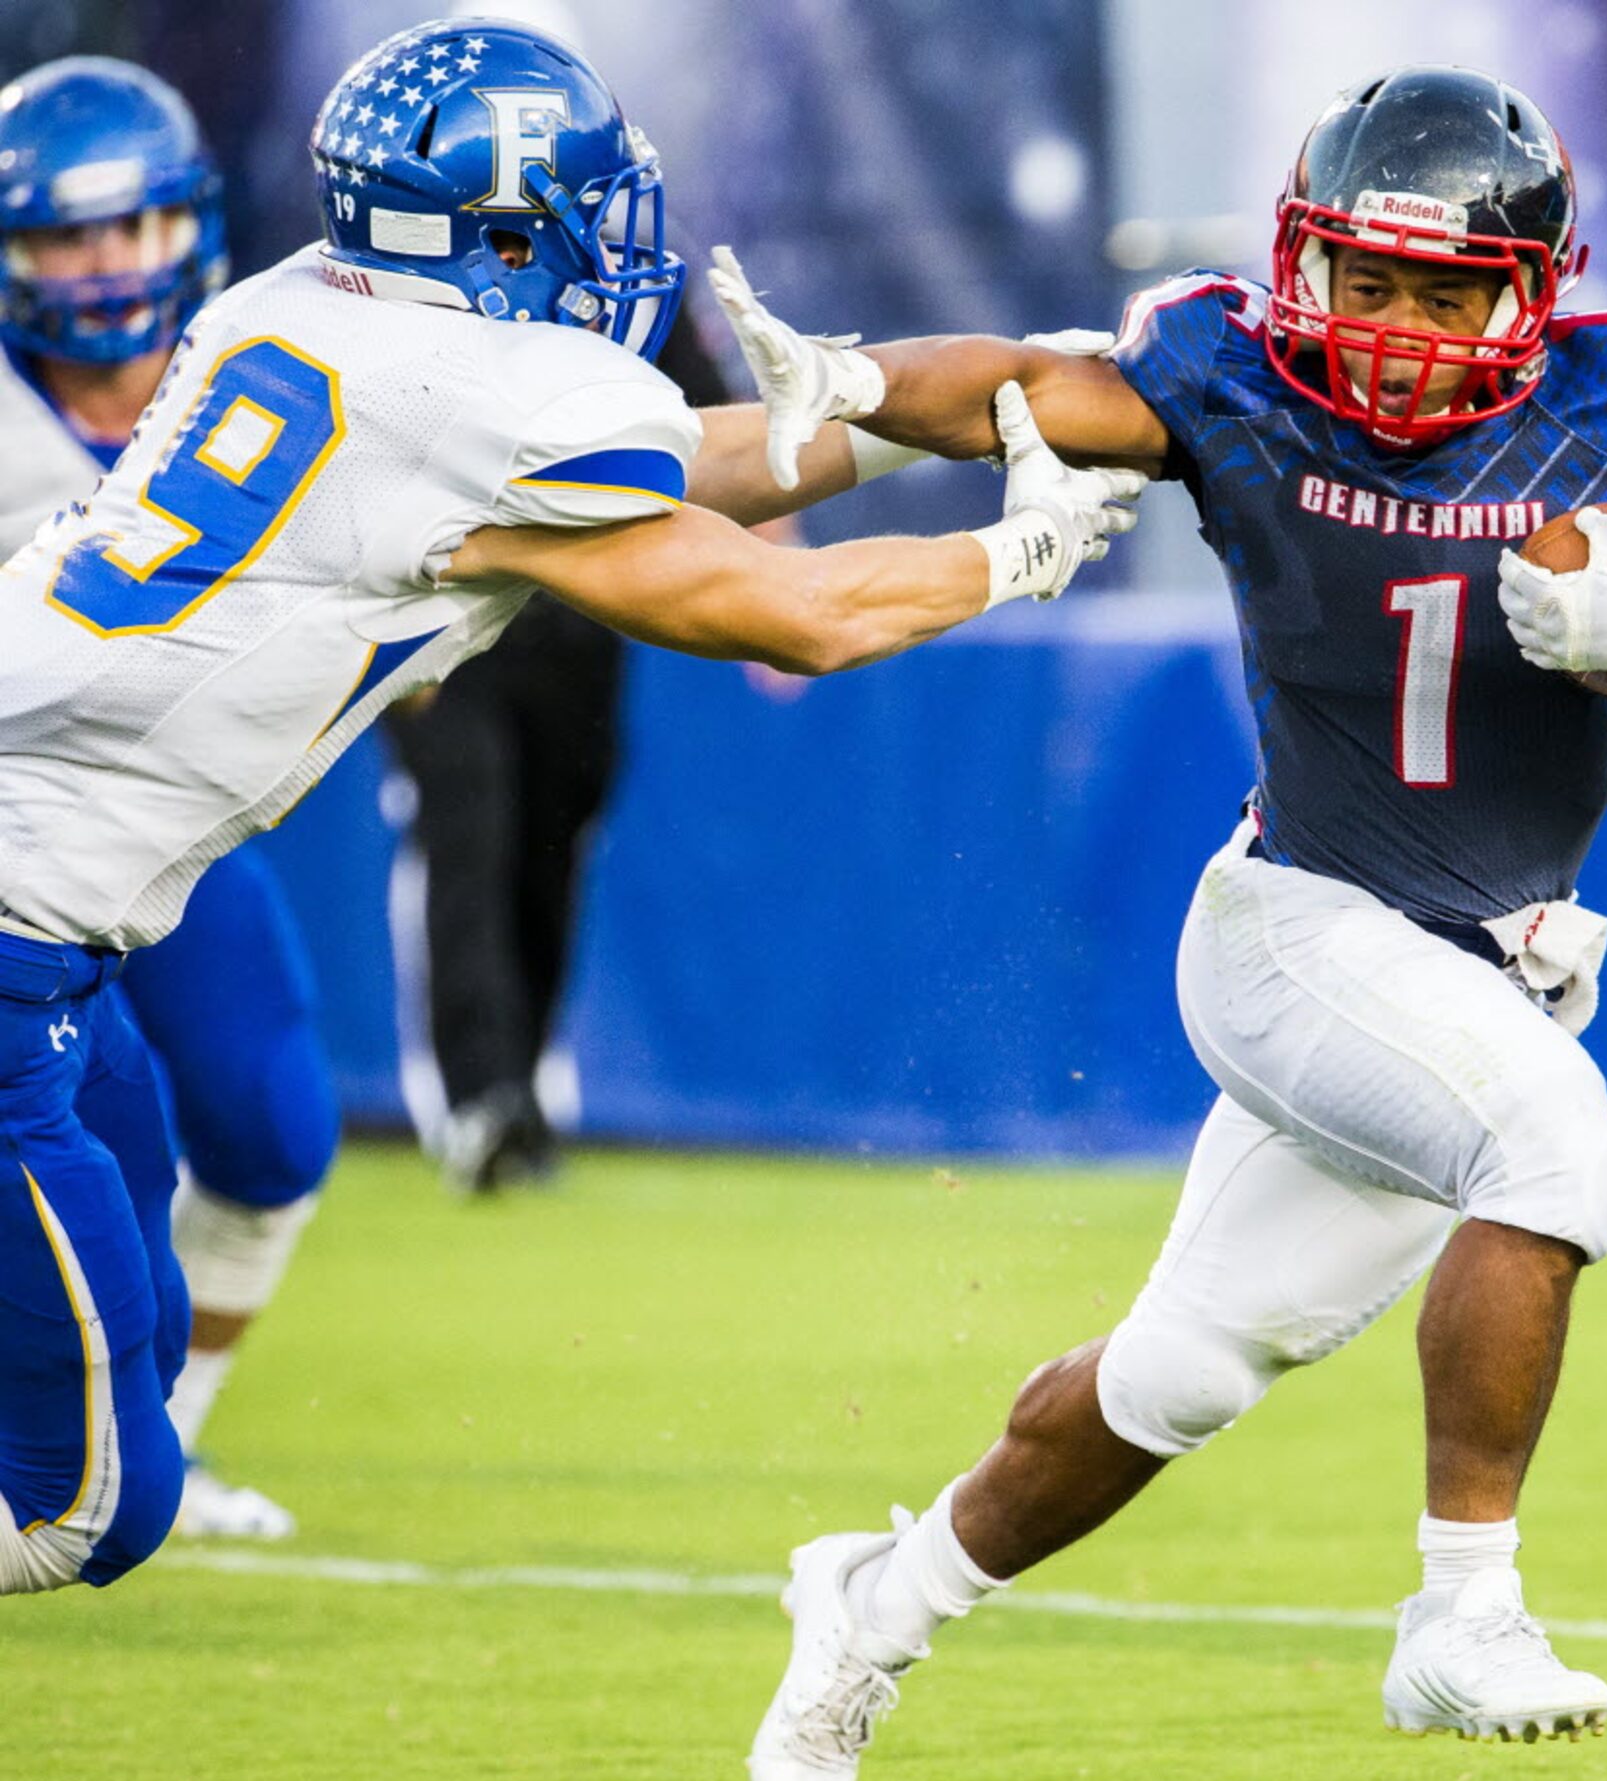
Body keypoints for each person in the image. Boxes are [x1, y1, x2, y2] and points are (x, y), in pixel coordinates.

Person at [715, 64, 1607, 1781]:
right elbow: (1037, 390)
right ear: (1301, 272)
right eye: (1367, 283)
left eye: (1447, 291)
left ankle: (869, 1607)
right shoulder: (1234, 377)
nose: (1400, 329)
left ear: (1533, 293)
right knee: (1554, 1140)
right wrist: (861, 381)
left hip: (1474, 968)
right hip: (1295, 930)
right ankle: (1463, 1607)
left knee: (1175, 1374)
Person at [0, 16, 1141, 1600]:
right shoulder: (479, 398)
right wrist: (1010, 553)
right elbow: (784, 613)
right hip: (18, 932)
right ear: (511, 224)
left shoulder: (302, 312)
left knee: (151, 1215)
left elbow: (683, 470)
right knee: (80, 1510)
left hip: (57, 920)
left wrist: (901, 412)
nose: (619, 232)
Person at [0, 57, 340, 1541]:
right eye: (66, 238)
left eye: (130, 228)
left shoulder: (246, 366)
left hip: (168, 829)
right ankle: (86, 1448)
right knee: (111, 1136)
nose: (105, 267)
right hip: (22, 848)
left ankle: (167, 1443)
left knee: (271, 1129)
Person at [381, 313, 735, 1194]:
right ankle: (478, 1098)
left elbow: (707, 420)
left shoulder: (613, 257)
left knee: (551, 848)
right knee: (469, 834)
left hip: (581, 610)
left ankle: (520, 1086)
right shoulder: (407, 268)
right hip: (446, 611)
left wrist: (773, 546)